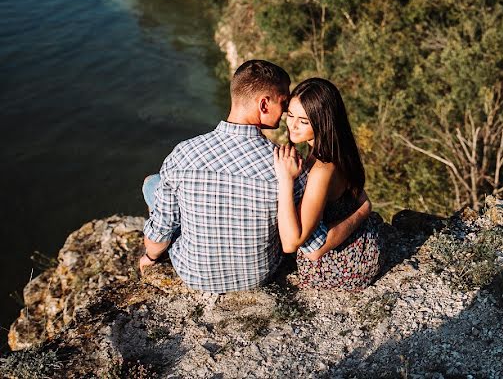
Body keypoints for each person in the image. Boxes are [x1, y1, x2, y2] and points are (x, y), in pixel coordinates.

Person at [140, 60, 371, 293]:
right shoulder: (287, 166)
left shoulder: (182, 153)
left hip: (193, 274)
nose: (284, 116)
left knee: (154, 184)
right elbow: (310, 240)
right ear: (264, 104)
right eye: (284, 106)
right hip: (258, 275)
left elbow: (161, 230)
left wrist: (150, 258)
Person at [273, 77, 384, 290]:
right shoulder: (337, 147)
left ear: (323, 122)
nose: (292, 126)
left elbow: (292, 244)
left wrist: (285, 180)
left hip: (341, 264)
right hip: (356, 241)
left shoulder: (323, 169)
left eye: (304, 121)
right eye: (291, 115)